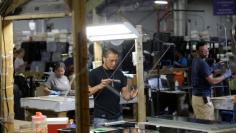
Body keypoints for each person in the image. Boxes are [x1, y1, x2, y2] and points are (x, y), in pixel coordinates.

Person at [88, 47, 138, 128]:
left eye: (116, 60)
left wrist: (131, 96)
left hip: (118, 116)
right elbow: (87, 93)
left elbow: (125, 95)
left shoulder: (119, 74)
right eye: (111, 60)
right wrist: (99, 86)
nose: (114, 63)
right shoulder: (94, 73)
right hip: (101, 117)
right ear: (104, 59)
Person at [191, 41, 232, 120]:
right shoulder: (202, 63)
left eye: (207, 50)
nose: (206, 53)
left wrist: (215, 66)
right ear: (197, 51)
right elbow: (212, 81)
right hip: (203, 100)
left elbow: (205, 72)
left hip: (196, 98)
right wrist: (226, 74)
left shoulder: (195, 60)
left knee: (200, 124)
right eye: (203, 51)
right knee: (207, 126)